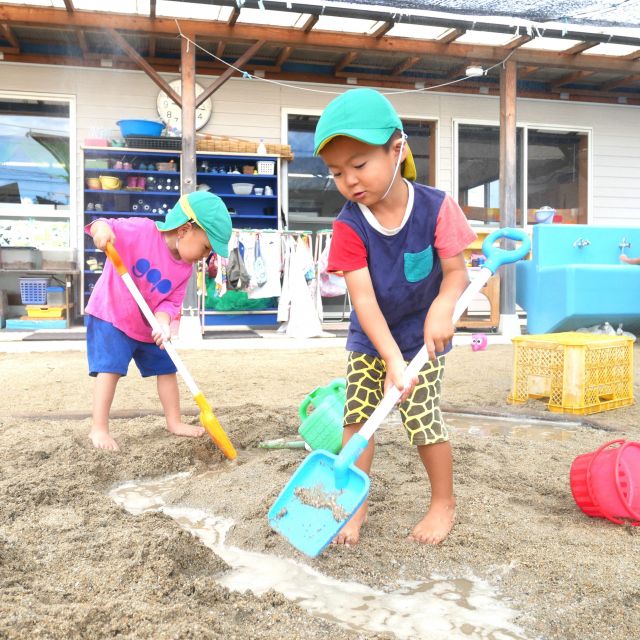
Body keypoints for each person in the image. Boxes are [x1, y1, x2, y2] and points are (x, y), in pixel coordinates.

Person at [318, 88, 477, 546]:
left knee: (421, 416)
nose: (349, 180)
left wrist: (444, 308)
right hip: (373, 340)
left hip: (423, 339)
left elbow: (455, 275)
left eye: (359, 164)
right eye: (336, 172)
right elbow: (363, 302)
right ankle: (353, 504)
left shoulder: (436, 207)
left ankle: (442, 502)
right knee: (358, 417)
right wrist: (389, 358)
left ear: (397, 148)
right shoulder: (349, 225)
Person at [85, 191, 232, 451]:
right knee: (111, 368)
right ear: (185, 230)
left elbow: (169, 303)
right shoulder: (141, 230)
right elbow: (102, 224)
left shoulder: (185, 268)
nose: (205, 256)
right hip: (112, 314)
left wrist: (163, 324)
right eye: (206, 247)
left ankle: (174, 421)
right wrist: (102, 232)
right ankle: (99, 428)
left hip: (148, 325)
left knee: (167, 367)